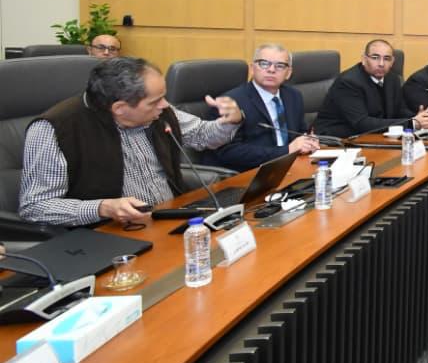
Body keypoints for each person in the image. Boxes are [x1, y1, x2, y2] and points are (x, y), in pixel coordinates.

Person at [19, 56, 243, 227]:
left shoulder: (157, 111)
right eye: (155, 101)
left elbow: (203, 135)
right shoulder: (55, 129)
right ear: (120, 108)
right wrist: (103, 208)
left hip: (170, 218)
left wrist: (230, 121)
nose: (165, 105)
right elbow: (36, 206)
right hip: (108, 235)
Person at [208, 44, 320, 172]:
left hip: (290, 167)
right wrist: (286, 151)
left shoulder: (293, 96)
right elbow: (228, 152)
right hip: (249, 172)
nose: (271, 70)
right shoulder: (230, 103)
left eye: (280, 66)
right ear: (252, 68)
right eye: (264, 64)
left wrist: (308, 140)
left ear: (288, 73)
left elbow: (300, 131)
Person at [313, 39, 428, 138]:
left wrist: (417, 118)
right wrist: (411, 123)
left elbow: (399, 110)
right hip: (337, 138)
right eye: (375, 57)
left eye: (387, 59)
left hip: (372, 135)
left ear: (392, 62)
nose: (381, 63)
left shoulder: (393, 79)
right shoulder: (348, 82)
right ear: (364, 59)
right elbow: (361, 123)